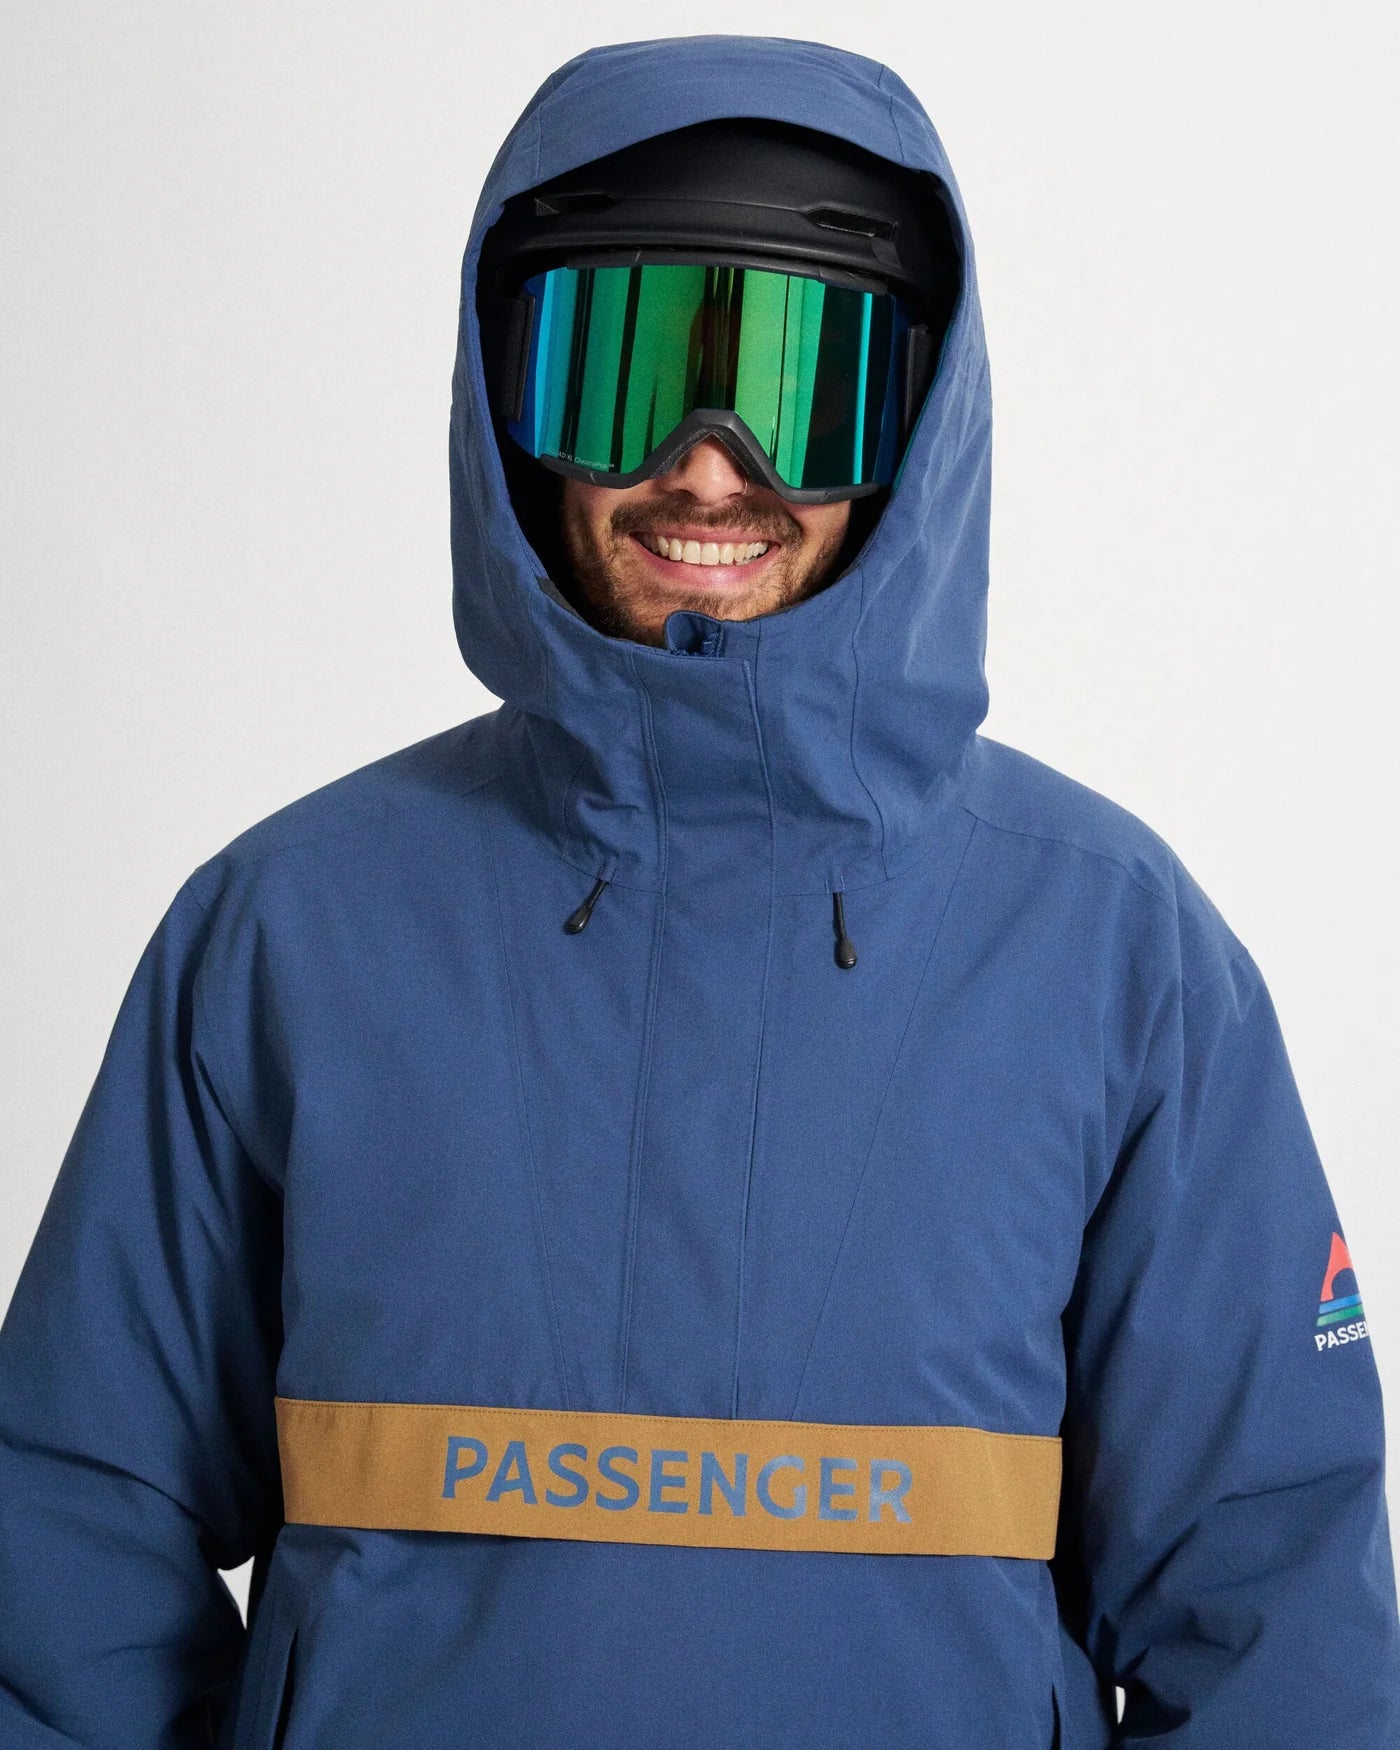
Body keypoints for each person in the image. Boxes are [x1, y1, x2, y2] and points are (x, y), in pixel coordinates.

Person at [1, 31, 1397, 1749]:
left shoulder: (1120, 959)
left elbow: (1276, 1605)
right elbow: (64, 1534)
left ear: (914, 427)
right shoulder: (287, 932)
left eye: (799, 386)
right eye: (624, 371)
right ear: (510, 412)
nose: (710, 465)